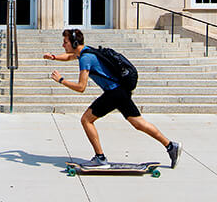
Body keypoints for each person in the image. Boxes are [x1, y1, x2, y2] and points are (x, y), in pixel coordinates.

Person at [44, 28, 181, 169]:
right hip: (120, 91)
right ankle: (171, 146)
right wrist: (54, 57)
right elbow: (69, 57)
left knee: (86, 120)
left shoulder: (85, 58)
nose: (63, 45)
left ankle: (100, 158)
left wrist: (61, 80)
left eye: (65, 42)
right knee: (138, 123)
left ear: (74, 44)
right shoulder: (86, 51)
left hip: (113, 93)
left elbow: (81, 87)